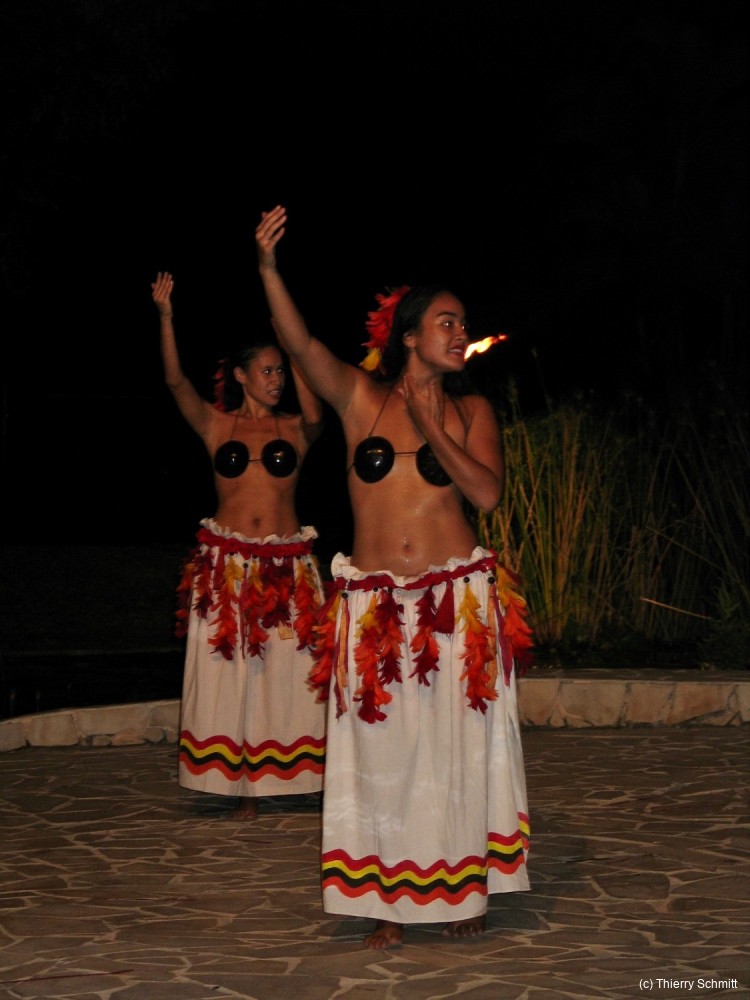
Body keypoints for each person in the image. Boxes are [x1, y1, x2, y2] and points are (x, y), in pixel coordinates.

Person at [254, 206, 534, 947]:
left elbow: (486, 495)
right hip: (374, 603)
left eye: (462, 323)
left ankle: (463, 886)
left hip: (454, 599)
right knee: (381, 752)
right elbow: (302, 344)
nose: (459, 332)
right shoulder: (361, 399)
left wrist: (433, 422)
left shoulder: (472, 410)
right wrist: (269, 269)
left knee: (452, 749)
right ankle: (386, 898)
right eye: (446, 322)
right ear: (409, 335)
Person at [151, 270, 327, 819]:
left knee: (288, 672)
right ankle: (240, 784)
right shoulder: (217, 426)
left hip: (286, 562)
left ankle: (293, 776)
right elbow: (176, 383)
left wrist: (296, 352)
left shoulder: (294, 428)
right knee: (230, 673)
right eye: (268, 370)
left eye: (280, 370)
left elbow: (318, 414)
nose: (276, 379)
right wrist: (166, 319)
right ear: (242, 376)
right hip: (226, 564)